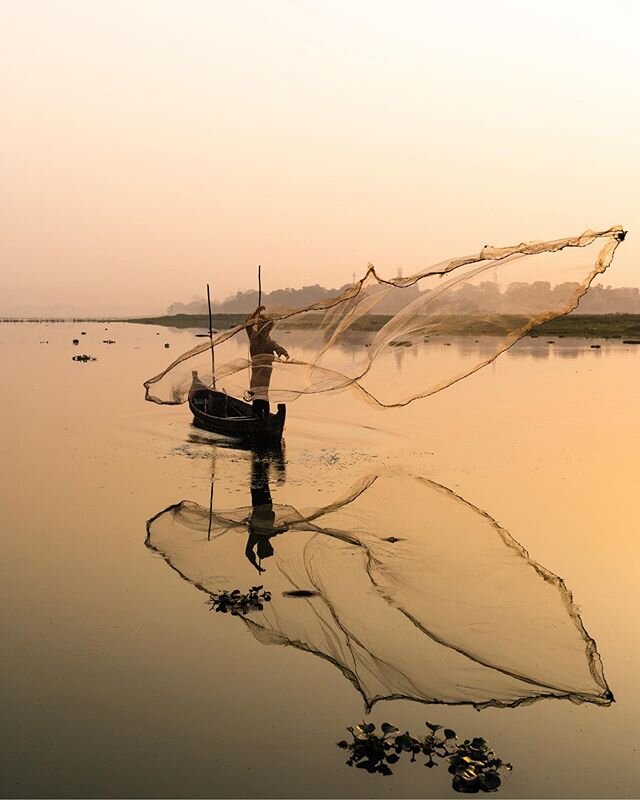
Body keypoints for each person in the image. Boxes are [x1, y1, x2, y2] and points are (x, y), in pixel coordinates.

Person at [244, 305, 289, 417]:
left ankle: (262, 417)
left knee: (263, 393)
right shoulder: (254, 337)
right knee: (258, 394)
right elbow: (247, 324)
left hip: (265, 373)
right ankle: (259, 417)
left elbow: (278, 348)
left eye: (266, 328)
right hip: (258, 372)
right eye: (262, 326)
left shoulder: (269, 341)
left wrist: (284, 353)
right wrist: (256, 312)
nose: (264, 330)